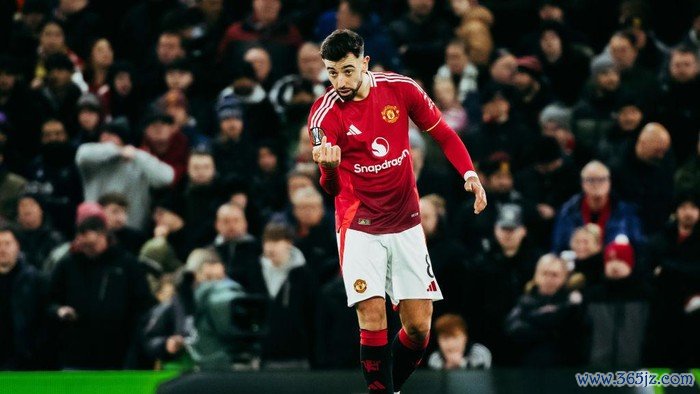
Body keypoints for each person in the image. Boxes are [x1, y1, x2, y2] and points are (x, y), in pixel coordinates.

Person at [308, 30, 487, 393]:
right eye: (331, 73)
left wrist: (470, 174)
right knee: (372, 318)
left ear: (364, 63)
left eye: (346, 70)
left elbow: (444, 134)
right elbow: (330, 189)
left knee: (419, 328)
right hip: (358, 224)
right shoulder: (324, 116)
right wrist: (328, 169)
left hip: (405, 221)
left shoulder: (401, 89)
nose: (339, 81)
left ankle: (389, 388)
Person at [426, 314, 491, 370]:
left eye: (455, 337)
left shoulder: (479, 352)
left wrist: (461, 363)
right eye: (445, 339)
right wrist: (447, 366)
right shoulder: (435, 358)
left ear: (465, 337)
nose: (450, 344)